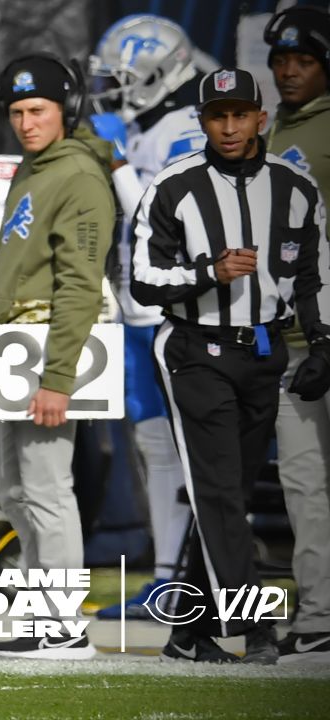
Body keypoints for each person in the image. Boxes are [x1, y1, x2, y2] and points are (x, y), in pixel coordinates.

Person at [131, 67, 330, 665]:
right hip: (195, 351)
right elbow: (142, 280)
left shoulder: (297, 189)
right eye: (218, 115)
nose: (229, 125)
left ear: (260, 118)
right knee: (219, 494)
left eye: (240, 114)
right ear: (202, 121)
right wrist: (207, 273)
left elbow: (311, 276)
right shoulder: (173, 186)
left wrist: (322, 343)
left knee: (229, 493)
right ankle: (254, 627)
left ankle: (188, 632)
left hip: (263, 352)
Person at [0, 54, 114, 659]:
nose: (26, 123)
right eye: (16, 112)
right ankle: (44, 617)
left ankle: (63, 624)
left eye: (38, 110)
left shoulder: (79, 175)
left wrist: (58, 376)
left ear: (68, 109)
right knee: (14, 489)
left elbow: (81, 283)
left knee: (48, 488)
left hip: (45, 352)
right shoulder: (31, 170)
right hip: (13, 350)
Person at [87, 14, 206, 620]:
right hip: (137, 308)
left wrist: (114, 164)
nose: (115, 88)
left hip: (174, 311)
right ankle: (166, 578)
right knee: (152, 444)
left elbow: (158, 218)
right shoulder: (143, 127)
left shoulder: (185, 128)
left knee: (188, 449)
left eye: (125, 78)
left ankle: (195, 580)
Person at [263, 6, 330, 664]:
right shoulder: (271, 128)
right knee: (305, 489)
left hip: (327, 334)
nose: (287, 71)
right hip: (293, 343)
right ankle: (319, 616)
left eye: (303, 60)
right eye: (280, 60)